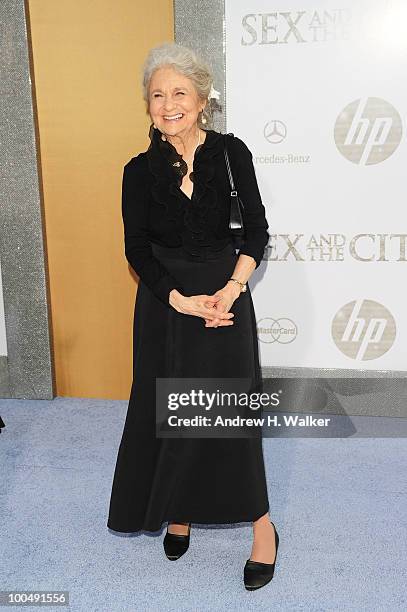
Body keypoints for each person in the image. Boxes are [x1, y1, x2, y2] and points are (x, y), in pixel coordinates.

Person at [107, 41, 279, 591]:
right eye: (157, 95)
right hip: (166, 305)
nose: (168, 103)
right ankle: (178, 507)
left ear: (203, 99)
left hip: (225, 300)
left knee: (226, 412)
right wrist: (178, 300)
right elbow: (137, 250)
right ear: (148, 106)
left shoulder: (233, 154)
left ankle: (263, 527)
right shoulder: (138, 171)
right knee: (170, 410)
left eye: (179, 92)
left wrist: (230, 291)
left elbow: (256, 231)